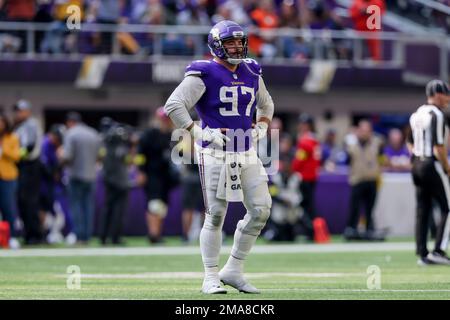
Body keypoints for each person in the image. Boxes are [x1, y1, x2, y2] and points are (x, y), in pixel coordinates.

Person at [164, 20, 274, 294]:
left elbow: (267, 102)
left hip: (245, 149)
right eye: (230, 42)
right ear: (216, 45)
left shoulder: (251, 69)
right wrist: (199, 133)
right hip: (215, 151)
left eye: (239, 41)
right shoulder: (205, 71)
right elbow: (173, 105)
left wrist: (261, 124)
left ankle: (234, 269)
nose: (237, 47)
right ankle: (210, 276)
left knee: (261, 209)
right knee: (215, 215)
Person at [408, 79, 450, 265]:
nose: (448, 99)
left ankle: (422, 252)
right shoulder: (437, 114)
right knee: (447, 207)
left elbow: (409, 141)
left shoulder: (416, 114)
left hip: (416, 164)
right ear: (438, 94)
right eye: (446, 94)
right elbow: (439, 146)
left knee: (422, 209)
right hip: (430, 163)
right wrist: (447, 168)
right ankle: (439, 250)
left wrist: (416, 157)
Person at [137, 107, 179, 244]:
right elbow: (140, 155)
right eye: (163, 119)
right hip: (152, 174)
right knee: (154, 204)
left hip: (165, 176)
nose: (165, 121)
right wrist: (141, 171)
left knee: (162, 206)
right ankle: (153, 234)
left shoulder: (171, 136)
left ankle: (157, 234)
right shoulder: (149, 134)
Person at [59, 112, 101, 244]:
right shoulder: (93, 133)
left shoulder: (71, 134)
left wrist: (60, 156)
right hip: (91, 175)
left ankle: (79, 236)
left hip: (76, 175)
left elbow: (67, 156)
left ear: (70, 122)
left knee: (76, 206)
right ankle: (87, 236)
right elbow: (99, 156)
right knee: (88, 207)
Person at [344, 119, 385, 241]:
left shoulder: (377, 142)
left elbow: (382, 158)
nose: (365, 133)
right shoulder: (351, 144)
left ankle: (369, 230)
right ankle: (351, 229)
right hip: (357, 179)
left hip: (372, 179)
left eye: (367, 130)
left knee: (370, 208)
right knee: (354, 207)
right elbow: (346, 160)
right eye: (362, 130)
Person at [13, 99, 43, 245]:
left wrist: (15, 155)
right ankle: (29, 233)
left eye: (21, 110)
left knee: (29, 201)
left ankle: (35, 235)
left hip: (30, 165)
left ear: (27, 111)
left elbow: (29, 146)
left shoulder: (31, 124)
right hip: (23, 166)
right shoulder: (20, 126)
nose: (18, 113)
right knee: (22, 201)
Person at [100, 121, 132, 245]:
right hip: (120, 183)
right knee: (119, 211)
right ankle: (115, 237)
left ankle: (103, 236)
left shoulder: (106, 147)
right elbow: (126, 160)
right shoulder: (121, 148)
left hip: (110, 181)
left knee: (107, 210)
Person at [291, 113, 320, 241]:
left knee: (305, 207)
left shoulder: (305, 141)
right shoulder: (314, 140)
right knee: (309, 206)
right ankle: (312, 232)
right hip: (312, 177)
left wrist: (293, 169)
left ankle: (311, 232)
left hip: (305, 178)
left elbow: (298, 161)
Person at [0, 112, 21, 249]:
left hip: (8, 177)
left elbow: (17, 156)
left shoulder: (12, 138)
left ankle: (12, 237)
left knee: (8, 207)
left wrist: (3, 149)